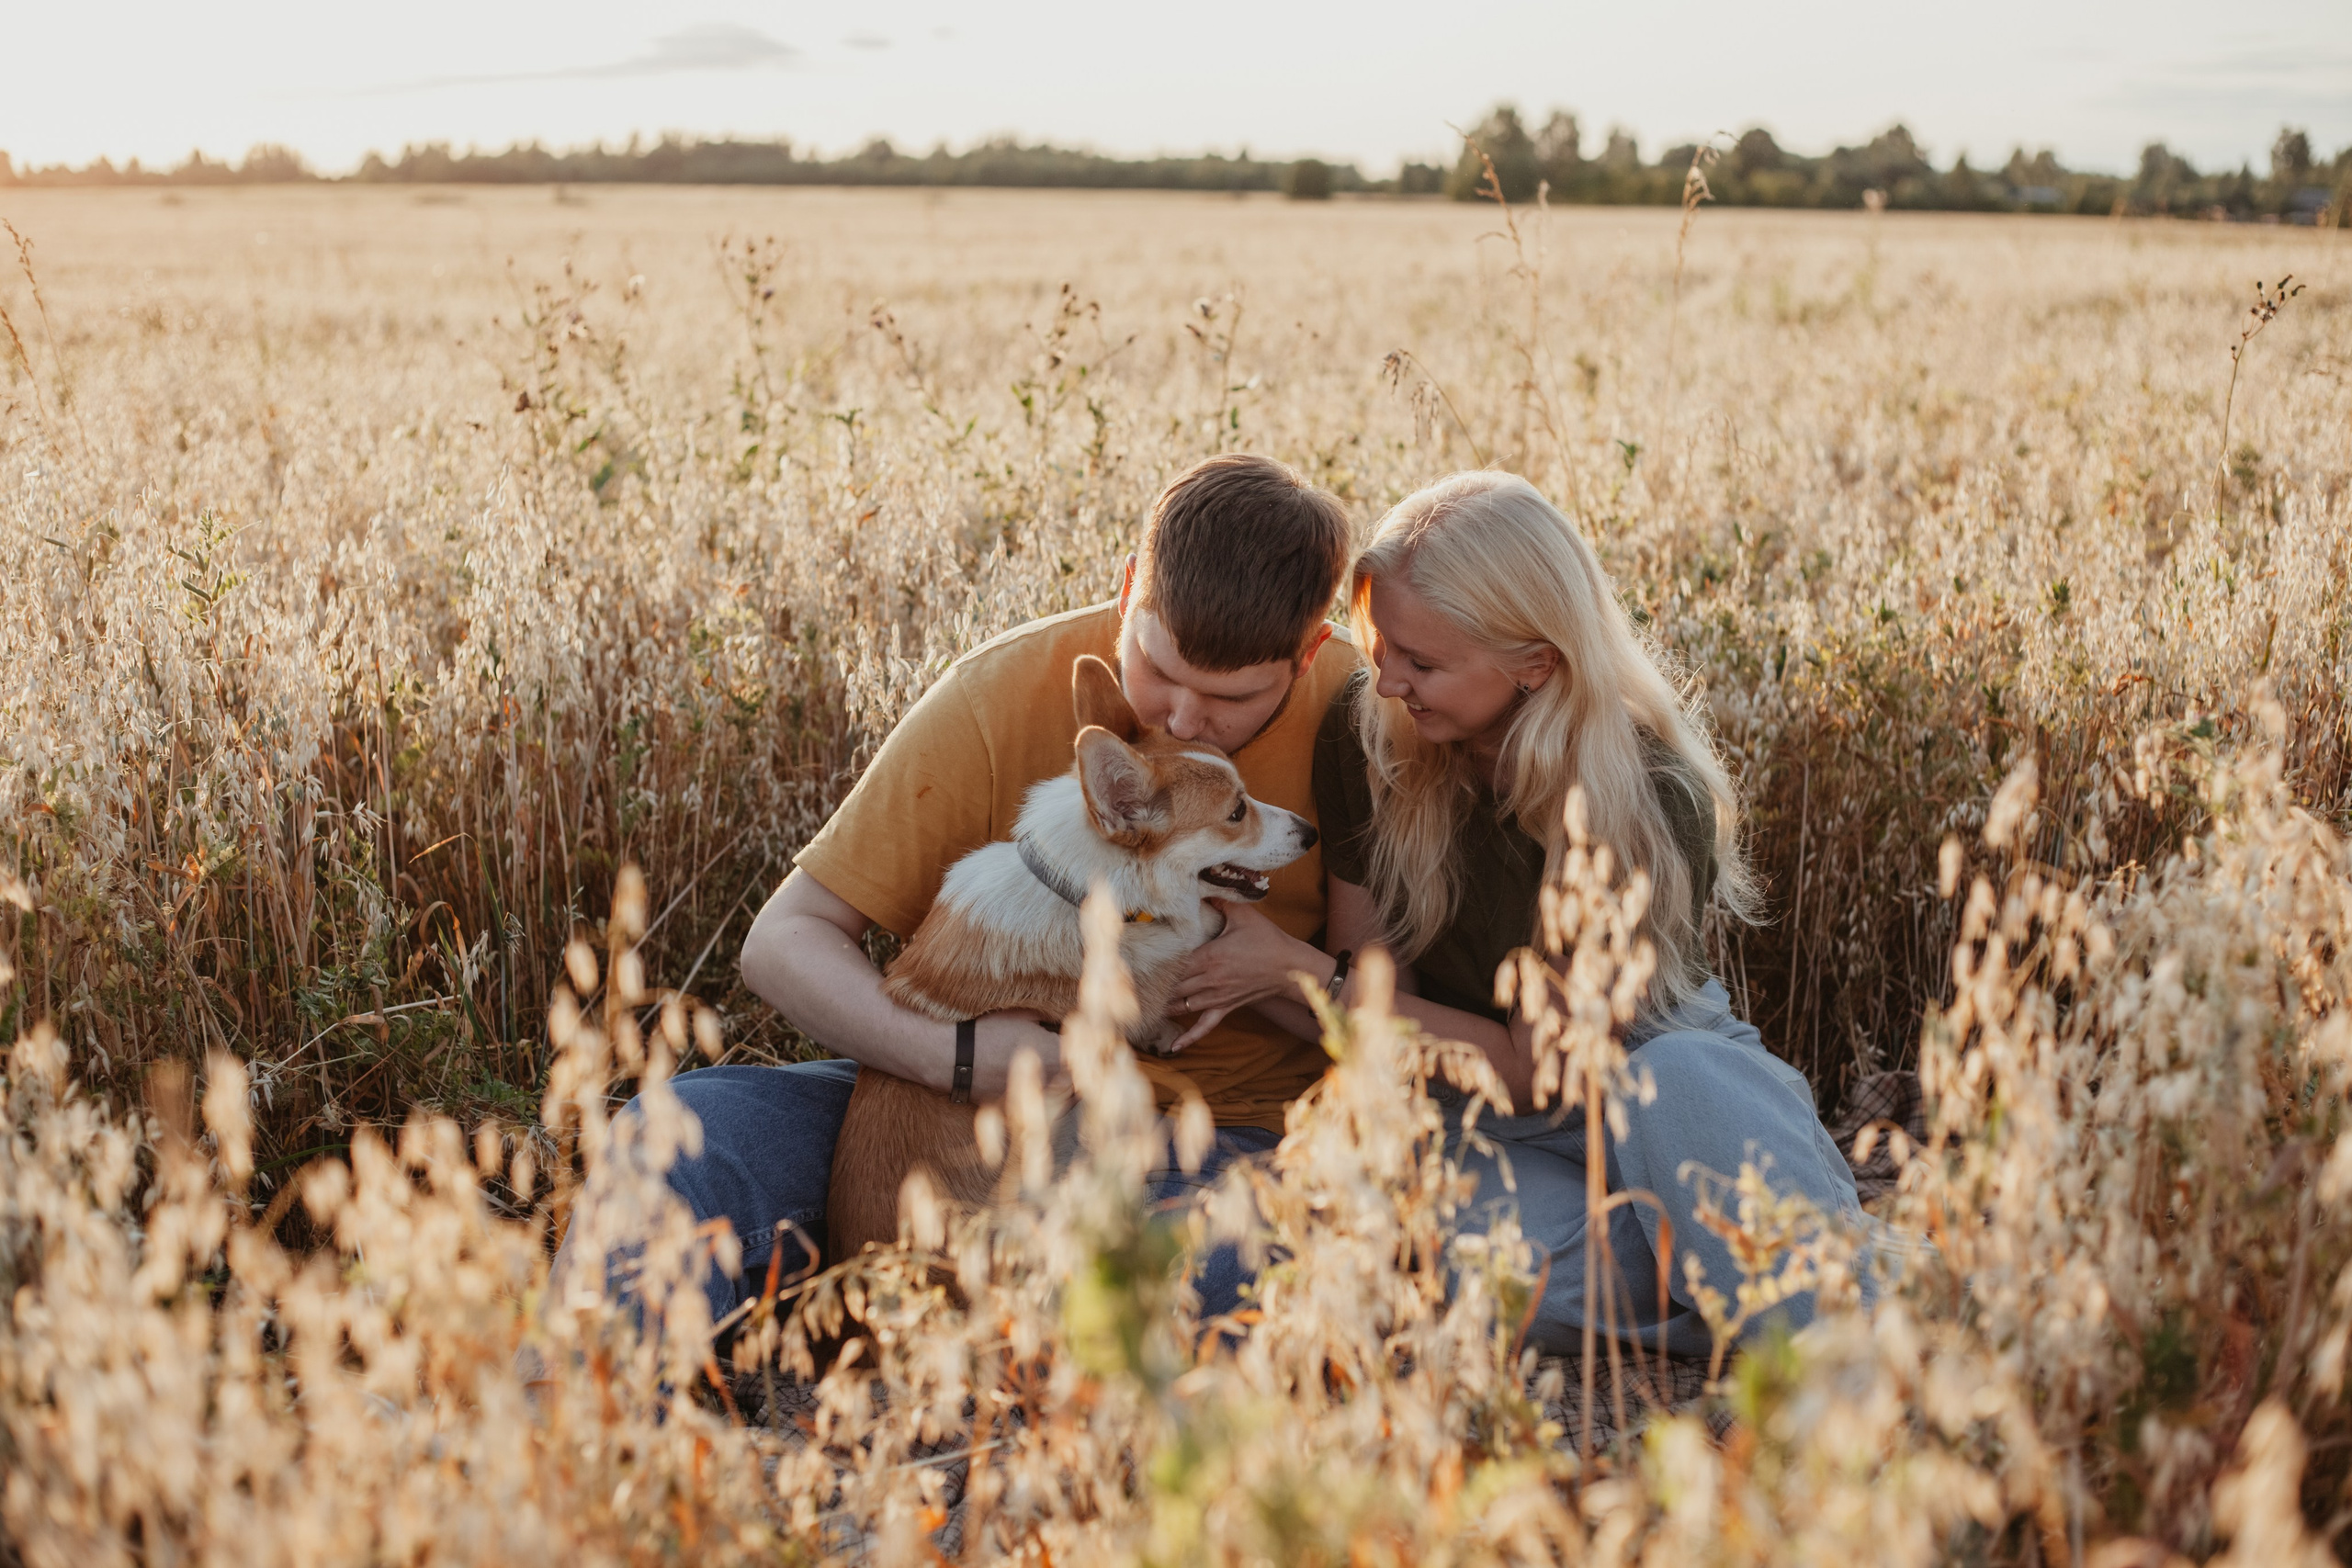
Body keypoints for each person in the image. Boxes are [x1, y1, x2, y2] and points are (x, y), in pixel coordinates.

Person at [555, 453, 1362, 1327]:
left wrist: (1292, 976)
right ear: (1128, 588)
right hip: (943, 1117)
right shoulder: (996, 695)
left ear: (1309, 650)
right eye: (1158, 669)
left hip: (1219, 1142)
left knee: (1235, 1261)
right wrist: (960, 1058)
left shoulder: (1361, 718)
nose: (1181, 720)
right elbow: (784, 942)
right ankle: (575, 1423)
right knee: (676, 1134)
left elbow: (1397, 1023)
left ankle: (943, 1341)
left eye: (1230, 698)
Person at [1169, 470, 1865, 1357]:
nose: (1385, 683)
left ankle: (1839, 1366)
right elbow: (1376, 998)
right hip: (1477, 1121)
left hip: (1640, 1083)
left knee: (1688, 1081)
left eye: (1421, 663)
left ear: (1535, 660)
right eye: (1381, 647)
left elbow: (1533, 1068)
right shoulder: (1370, 738)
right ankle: (1746, 1272)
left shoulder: (1642, 796)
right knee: (1443, 1251)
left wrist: (1295, 974)